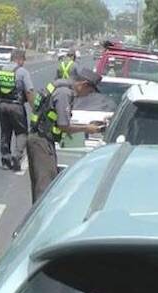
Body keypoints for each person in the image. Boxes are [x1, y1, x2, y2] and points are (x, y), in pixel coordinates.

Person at [26, 69, 104, 202]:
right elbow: (63, 125)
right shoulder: (64, 93)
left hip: (39, 139)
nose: (87, 95)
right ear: (83, 84)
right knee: (44, 188)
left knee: (42, 185)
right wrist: (87, 128)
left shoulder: (60, 86)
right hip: (42, 141)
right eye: (89, 91)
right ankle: (39, 221)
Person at [0, 49, 35, 171]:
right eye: (23, 60)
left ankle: (5, 159)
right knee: (21, 132)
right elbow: (29, 91)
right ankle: (17, 155)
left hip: (3, 106)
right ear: (19, 59)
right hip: (16, 106)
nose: (24, 63)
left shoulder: (0, 70)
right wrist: (33, 107)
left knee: (5, 132)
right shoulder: (22, 72)